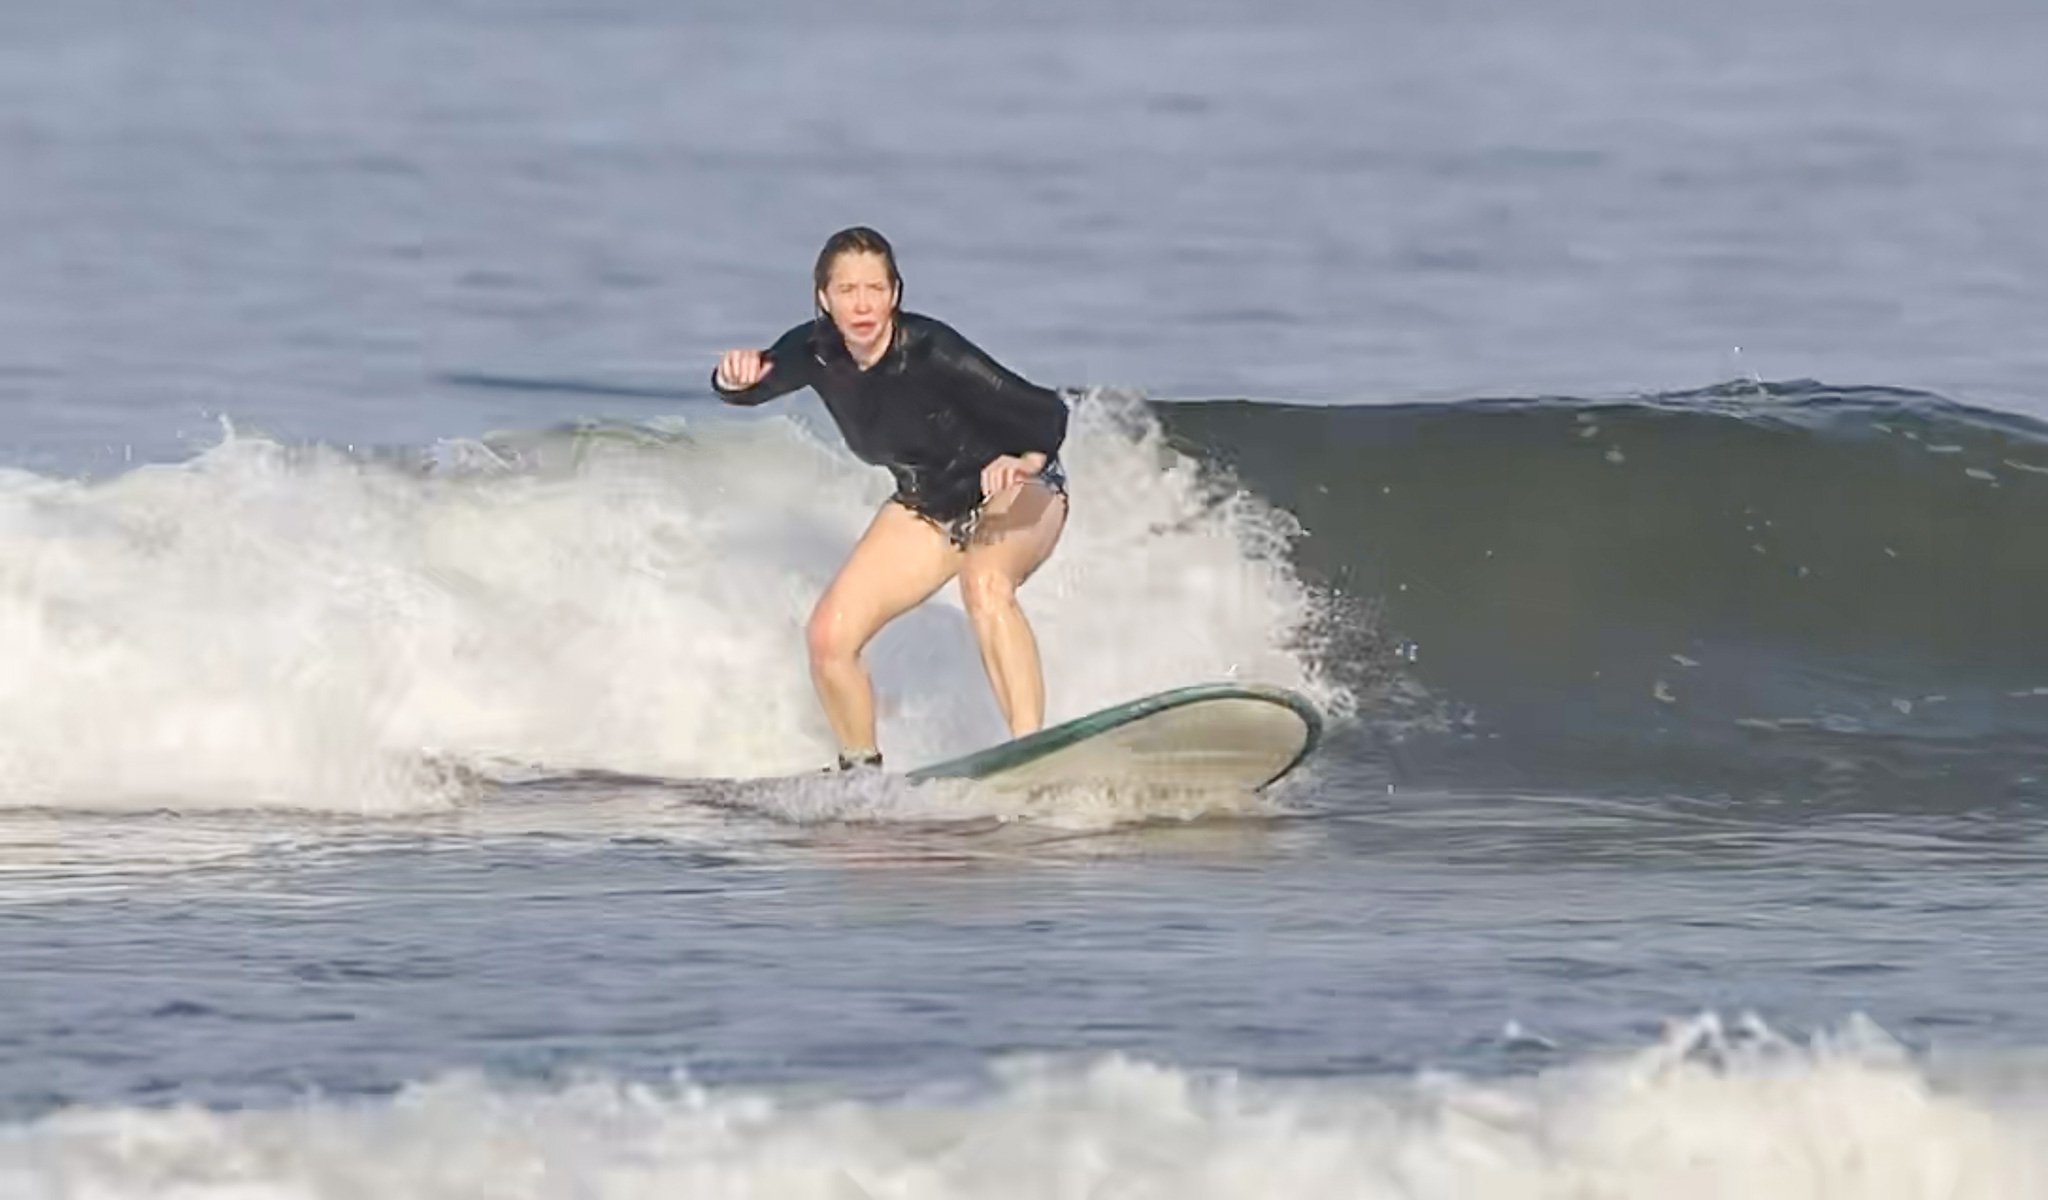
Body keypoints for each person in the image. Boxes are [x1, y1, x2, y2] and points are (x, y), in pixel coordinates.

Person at [712, 227, 1071, 771]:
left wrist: (1019, 461)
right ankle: (862, 776)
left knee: (985, 583)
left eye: (876, 289)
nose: (863, 304)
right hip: (928, 505)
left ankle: (1030, 755)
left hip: (1022, 489)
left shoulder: (934, 351)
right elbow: (754, 382)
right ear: (823, 298)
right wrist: (730, 376)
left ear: (895, 294)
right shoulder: (814, 351)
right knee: (829, 637)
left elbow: (1048, 415)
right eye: (848, 290)